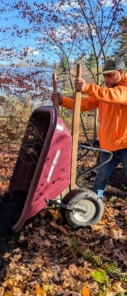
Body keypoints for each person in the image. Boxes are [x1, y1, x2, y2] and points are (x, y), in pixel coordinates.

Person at [51, 56, 127, 198]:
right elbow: (84, 104)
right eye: (104, 76)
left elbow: (115, 96)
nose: (106, 79)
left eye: (110, 75)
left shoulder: (121, 89)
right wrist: (63, 101)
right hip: (108, 145)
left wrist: (87, 88)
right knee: (101, 177)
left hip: (125, 145)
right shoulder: (105, 90)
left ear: (121, 72)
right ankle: (94, 202)